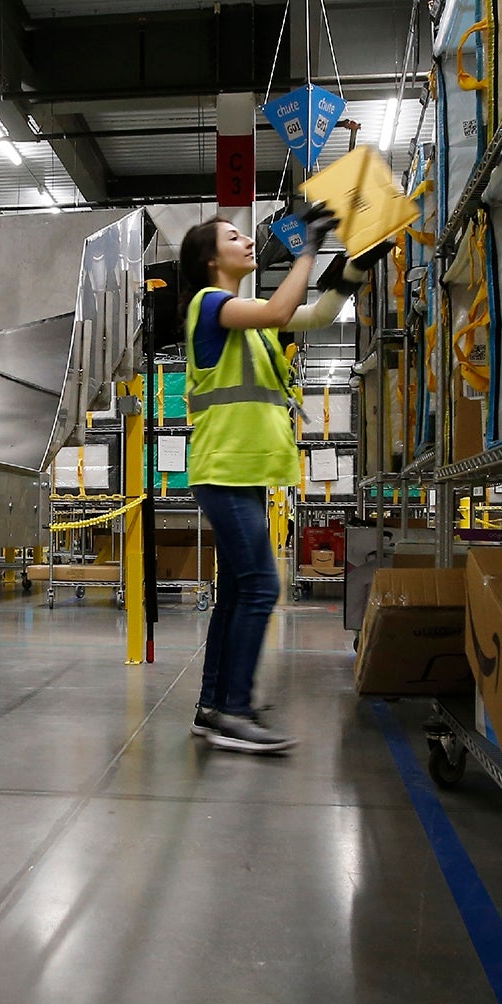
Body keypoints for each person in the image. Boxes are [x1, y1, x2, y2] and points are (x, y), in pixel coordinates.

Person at [178, 212, 363, 754]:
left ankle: (213, 707)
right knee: (261, 586)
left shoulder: (250, 324)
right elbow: (283, 307)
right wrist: (306, 251)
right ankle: (233, 711)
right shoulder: (209, 304)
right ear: (213, 260)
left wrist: (353, 267)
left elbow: (316, 314)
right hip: (224, 469)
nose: (245, 240)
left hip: (244, 471)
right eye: (232, 237)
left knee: (237, 591)